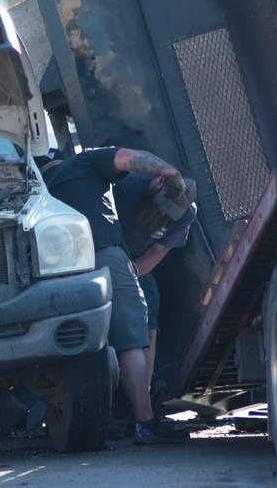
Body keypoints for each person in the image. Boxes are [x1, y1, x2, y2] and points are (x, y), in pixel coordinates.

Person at [37, 147, 189, 444]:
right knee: (132, 341)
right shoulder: (89, 161)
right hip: (106, 255)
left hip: (55, 267)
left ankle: (93, 422)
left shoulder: (37, 191)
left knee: (72, 341)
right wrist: (167, 168)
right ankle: (144, 423)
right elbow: (127, 157)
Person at [112, 173, 197, 436]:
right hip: (104, 254)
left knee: (148, 329)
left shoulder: (184, 214)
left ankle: (139, 408)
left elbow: (155, 254)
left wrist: (127, 281)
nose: (164, 213)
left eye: (169, 211)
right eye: (162, 205)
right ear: (159, 181)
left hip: (138, 266)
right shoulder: (125, 186)